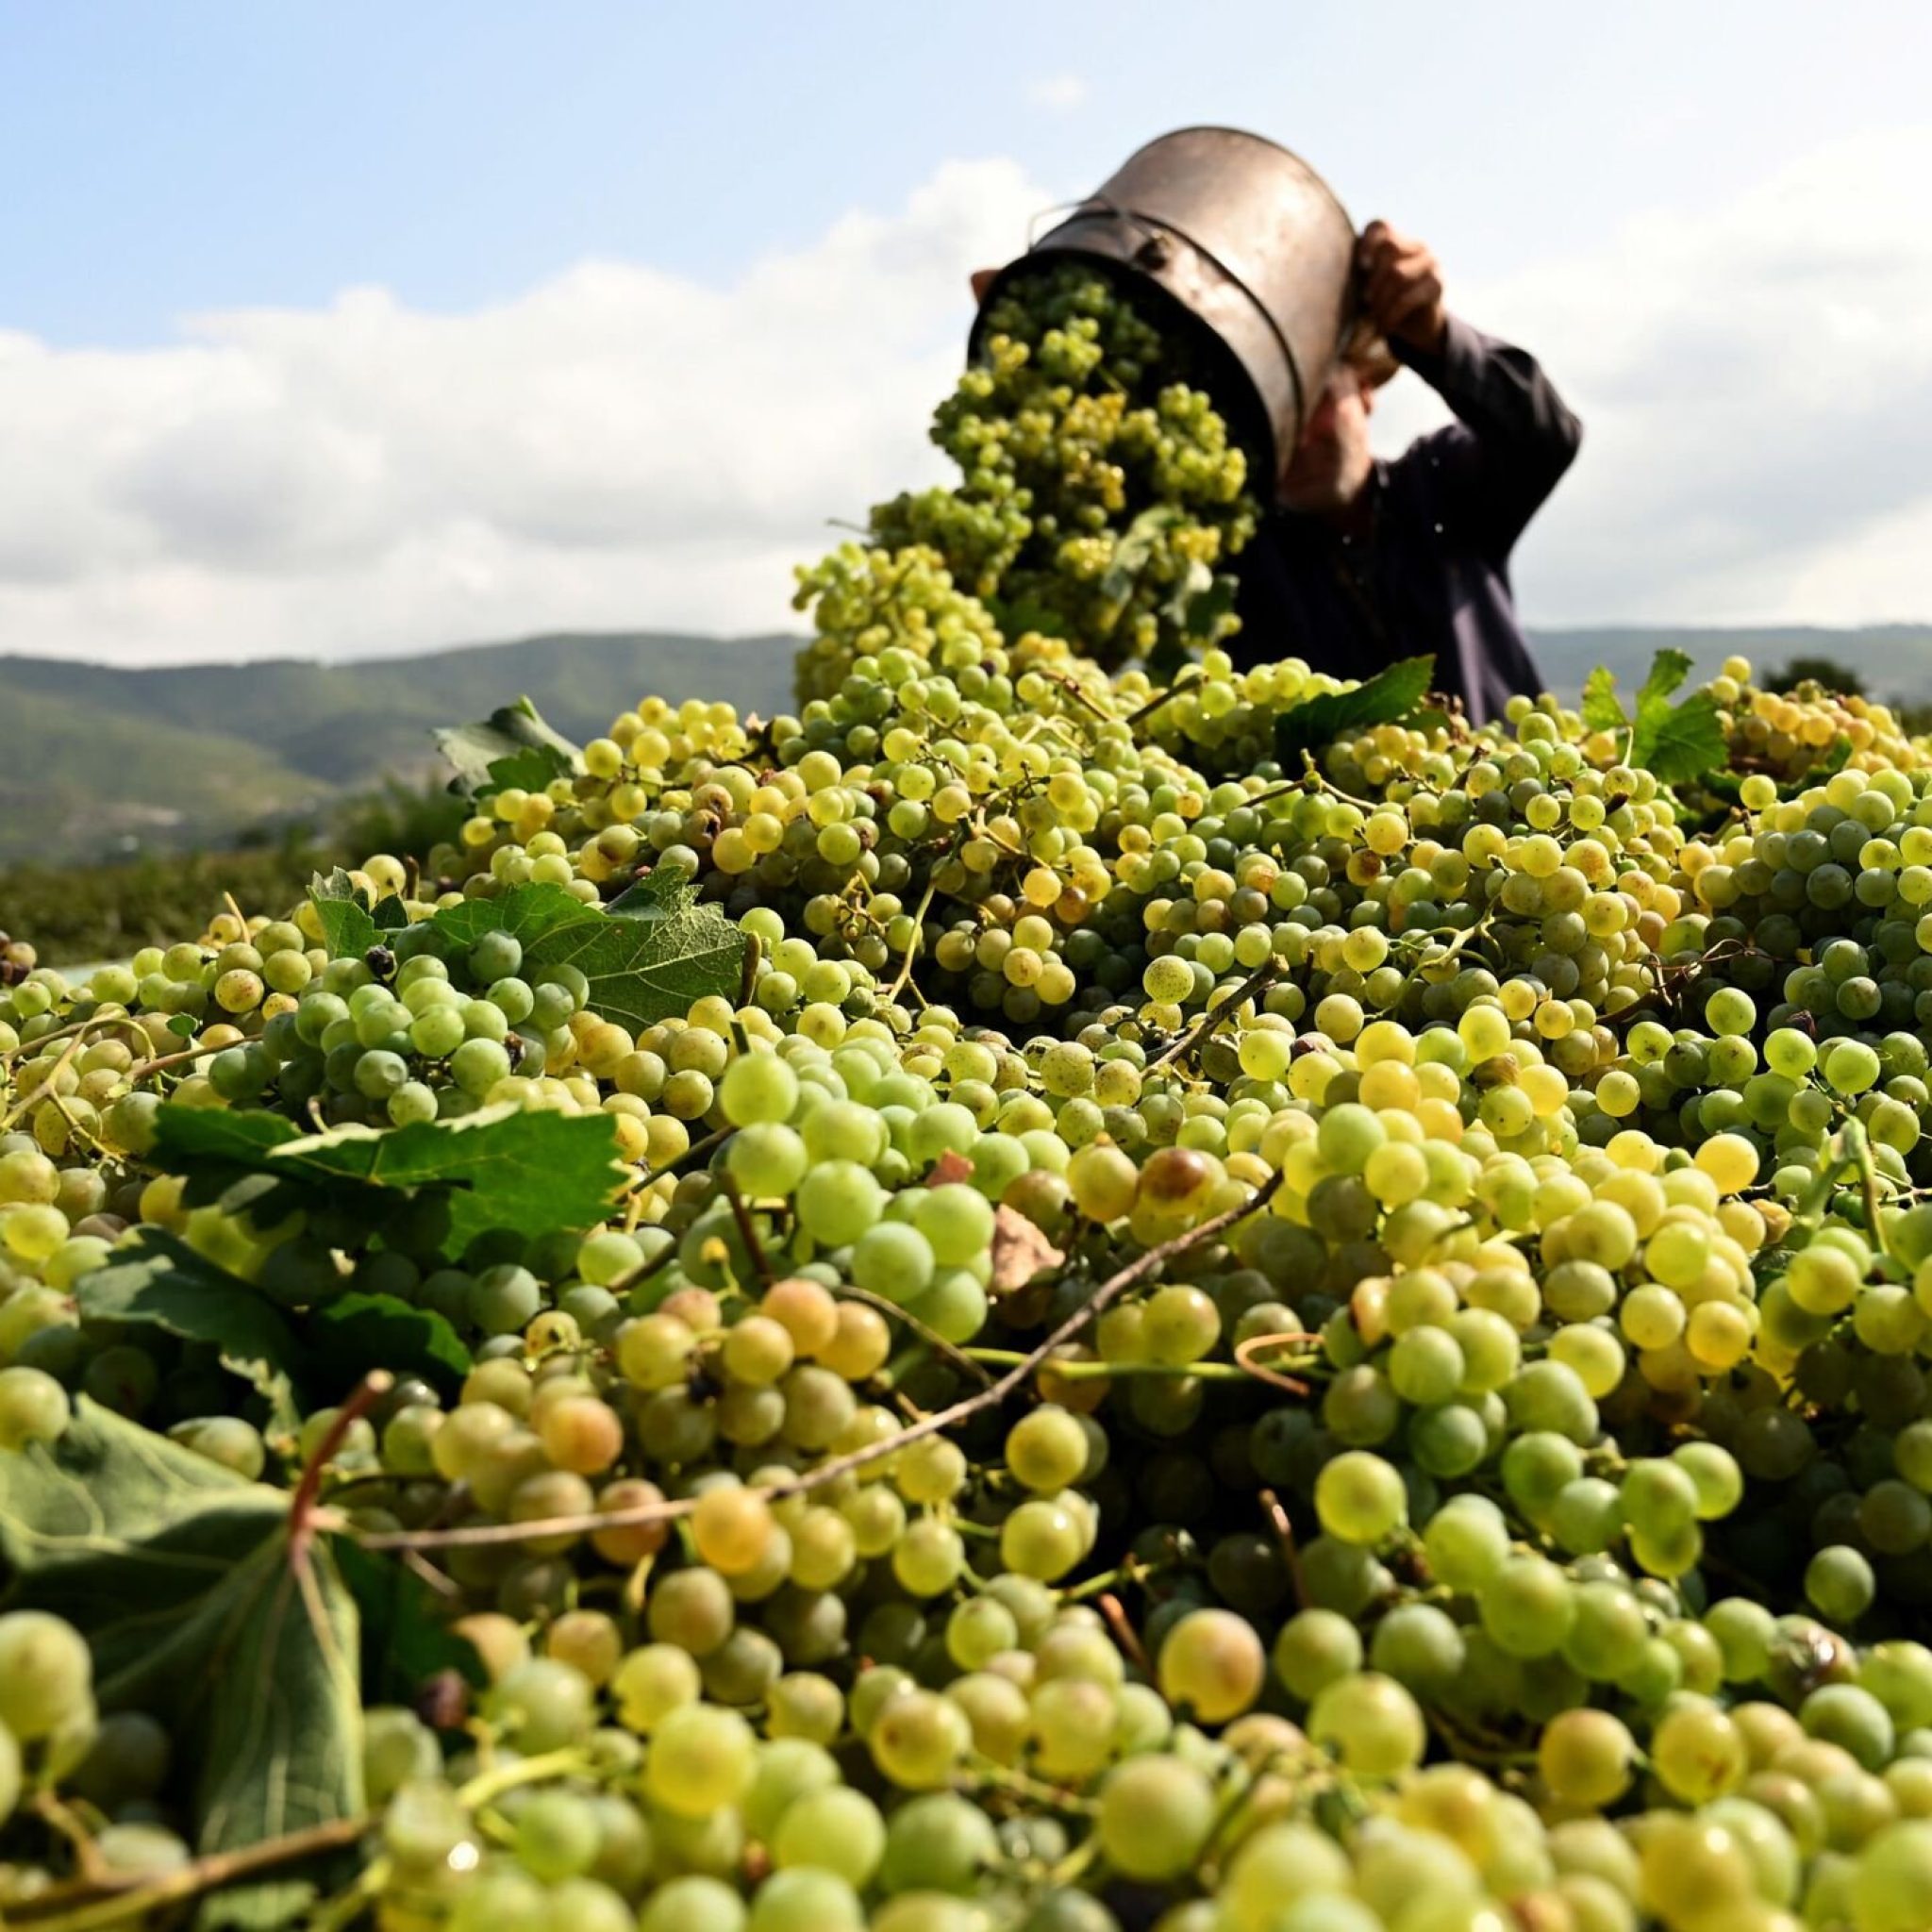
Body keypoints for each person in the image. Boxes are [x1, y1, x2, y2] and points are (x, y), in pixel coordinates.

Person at [1234, 220, 1582, 724]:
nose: (1298, 441)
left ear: (1364, 387)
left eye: (1312, 404)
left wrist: (1438, 338)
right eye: (1273, 420)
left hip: (1517, 797)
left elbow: (1544, 437)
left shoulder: (1441, 486)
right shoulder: (1238, 553)